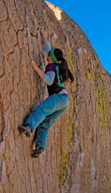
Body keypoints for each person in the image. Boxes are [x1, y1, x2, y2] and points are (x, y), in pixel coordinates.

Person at [18, 26, 75, 158]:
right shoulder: (56, 64)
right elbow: (48, 47)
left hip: (58, 98)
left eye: (49, 53)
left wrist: (34, 67)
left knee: (40, 110)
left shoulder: (50, 66)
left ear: (50, 57)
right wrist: (43, 34)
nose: (47, 52)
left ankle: (29, 127)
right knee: (45, 124)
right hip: (64, 101)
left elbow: (49, 81)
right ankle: (40, 146)